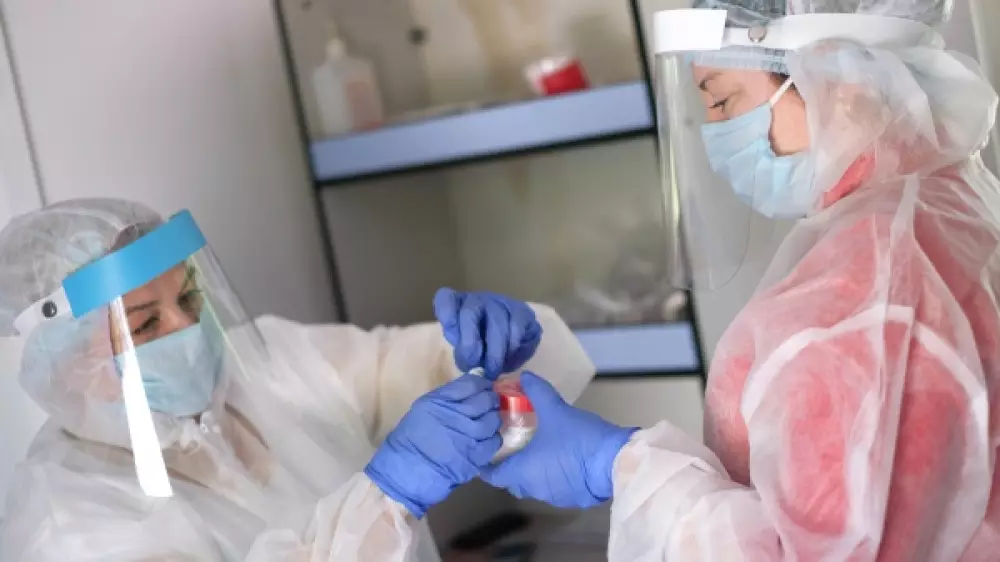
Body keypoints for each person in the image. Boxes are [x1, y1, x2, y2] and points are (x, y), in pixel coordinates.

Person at [480, 1, 1000, 560]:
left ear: (842, 81)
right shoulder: (950, 208)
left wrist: (620, 466)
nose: (716, 136)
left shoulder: (867, 287)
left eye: (725, 101)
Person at [0, 198, 596, 561]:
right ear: (73, 365)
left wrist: (485, 350)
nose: (190, 328)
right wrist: (388, 493)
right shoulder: (71, 527)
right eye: (146, 324)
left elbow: (397, 368)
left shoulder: (266, 364)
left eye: (190, 297)